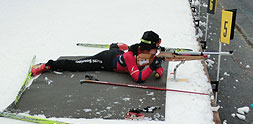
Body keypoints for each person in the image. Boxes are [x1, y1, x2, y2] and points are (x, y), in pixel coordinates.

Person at [32, 31, 164, 83]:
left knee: (117, 50)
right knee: (77, 65)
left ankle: (115, 46)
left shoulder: (145, 53)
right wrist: (153, 67)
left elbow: (155, 67)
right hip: (105, 60)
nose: (156, 50)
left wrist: (158, 69)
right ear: (148, 47)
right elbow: (138, 78)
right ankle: (48, 65)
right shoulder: (130, 56)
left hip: (118, 55)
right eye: (155, 47)